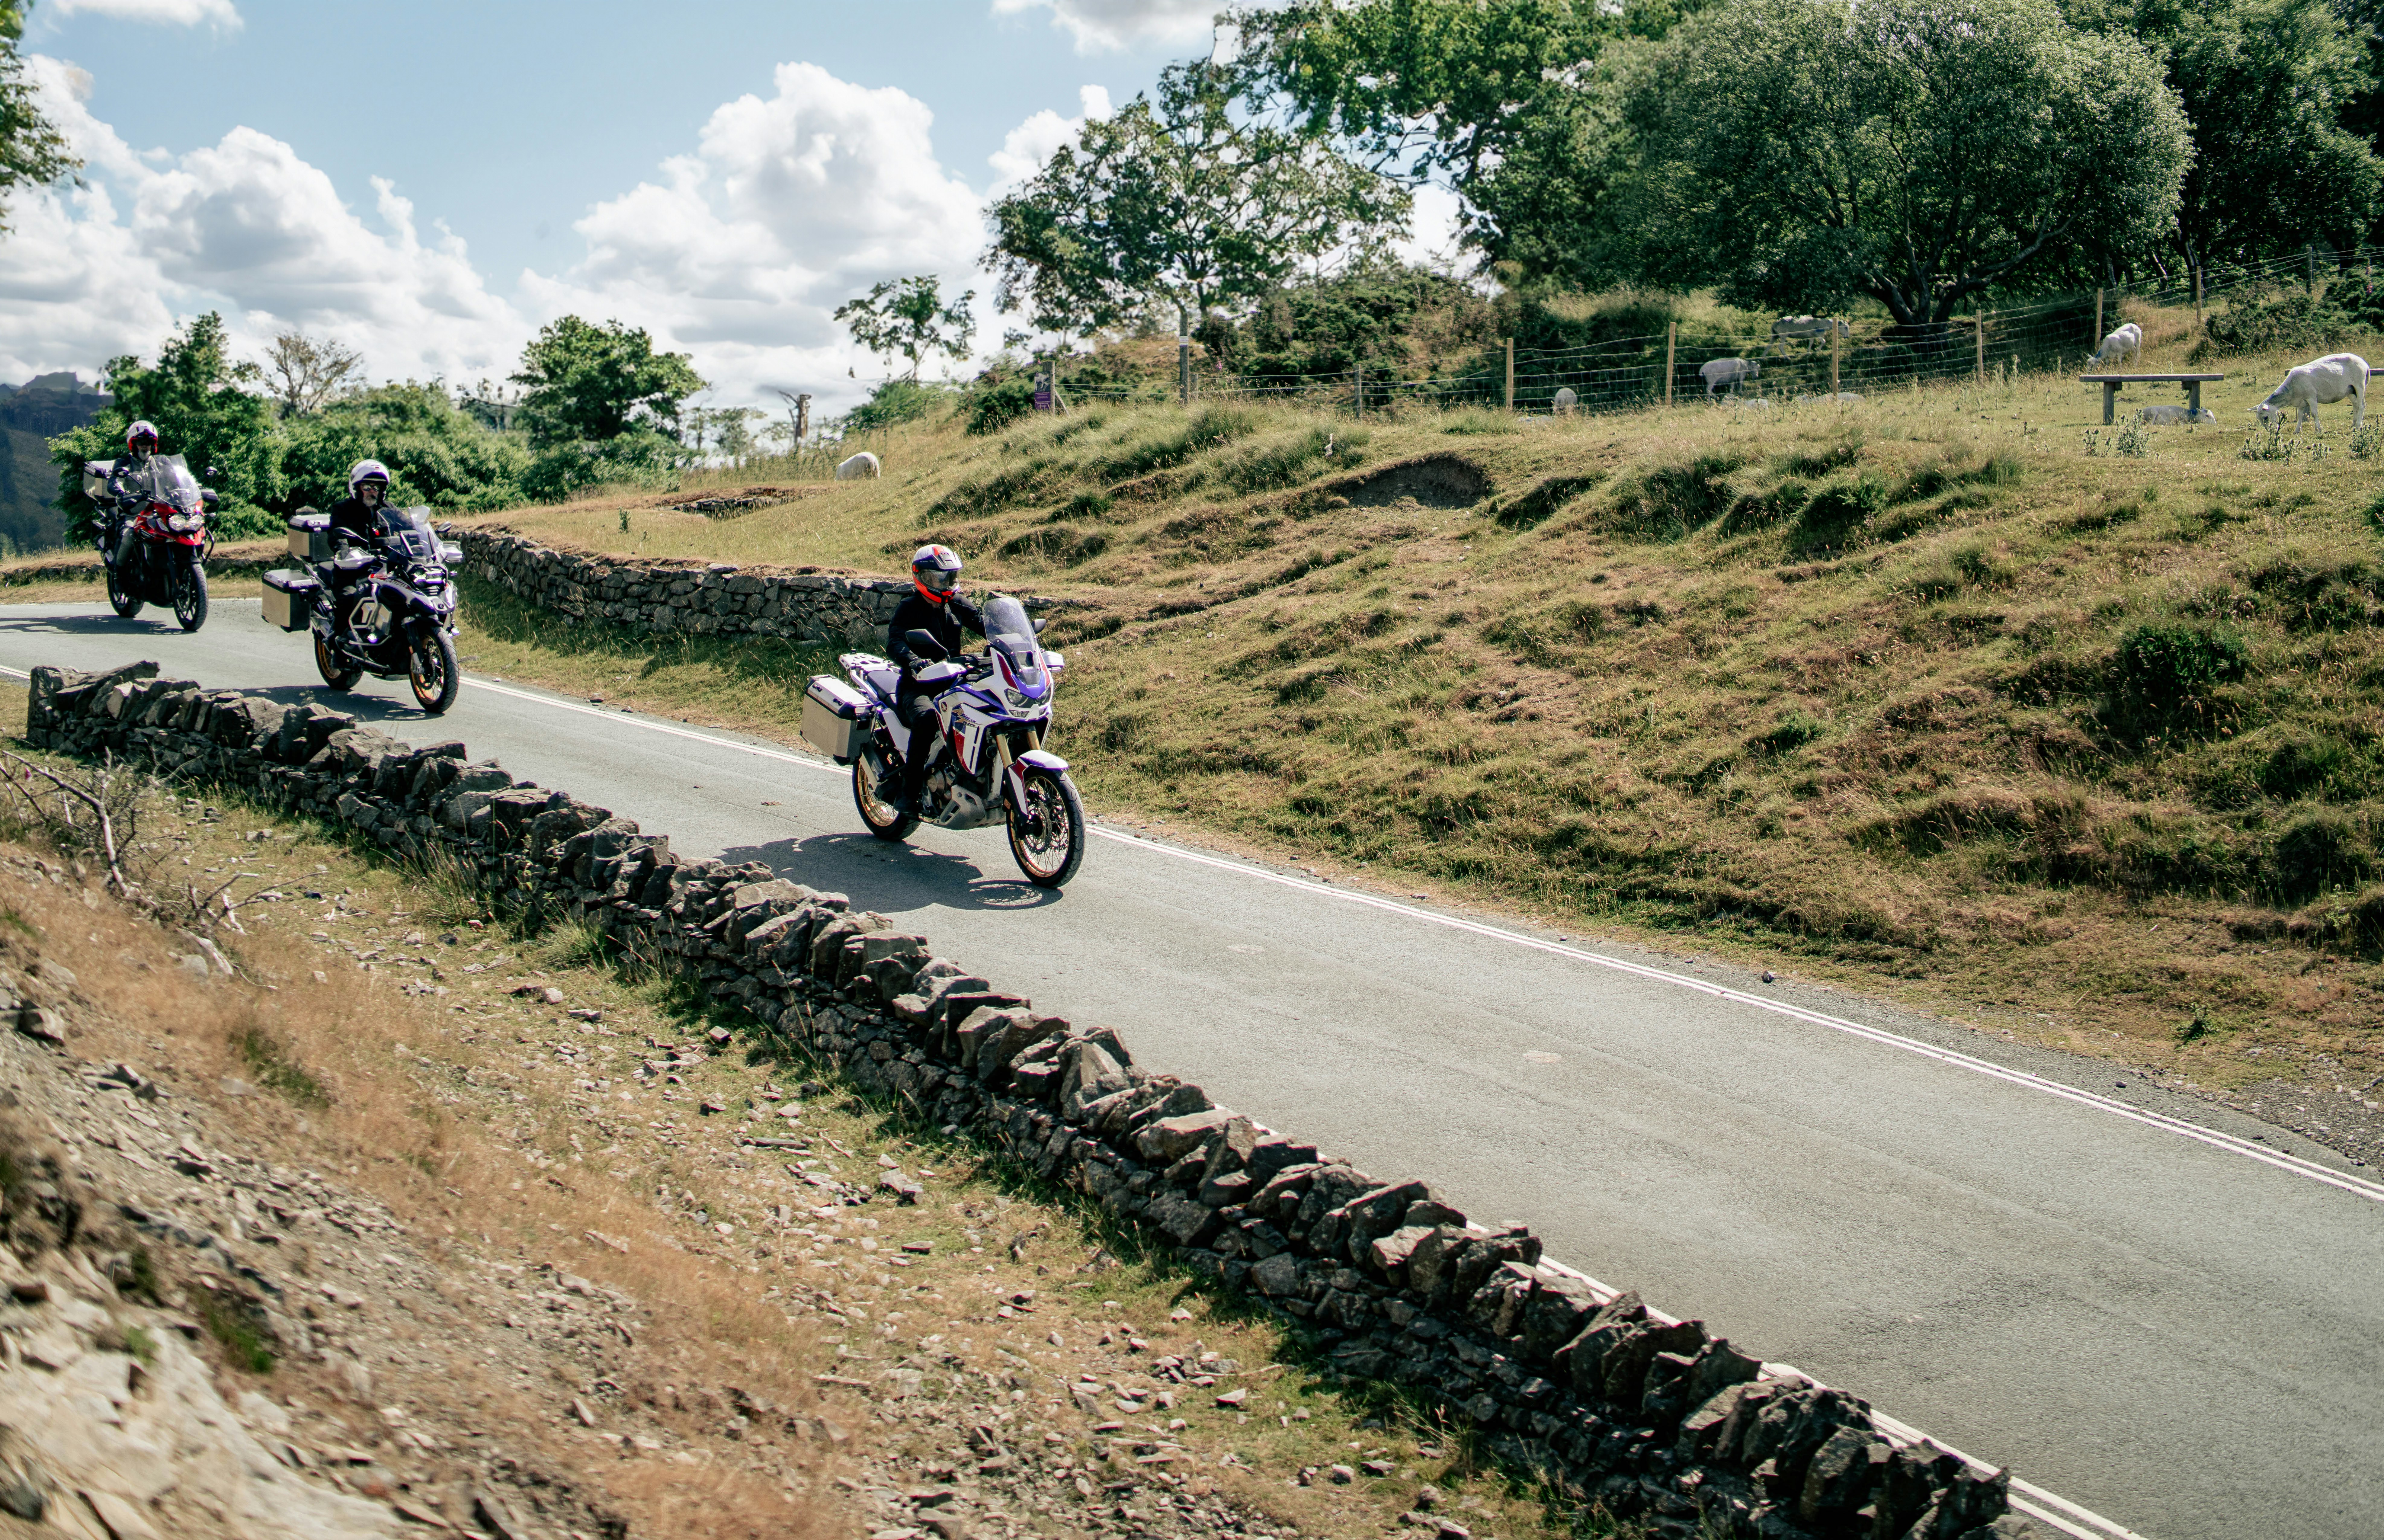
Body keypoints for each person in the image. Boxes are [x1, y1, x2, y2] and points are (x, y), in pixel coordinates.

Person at [884, 543, 983, 814]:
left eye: (949, 576)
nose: (945, 583)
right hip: (918, 687)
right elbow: (895, 642)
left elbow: (985, 622)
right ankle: (909, 792)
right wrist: (913, 660)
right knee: (928, 719)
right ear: (922, 577)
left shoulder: (956, 603)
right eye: (938, 577)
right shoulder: (909, 608)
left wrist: (1015, 640)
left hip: (954, 684)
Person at [320, 460, 395, 624]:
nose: (372, 492)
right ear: (356, 488)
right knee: (350, 599)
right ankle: (340, 642)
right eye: (367, 487)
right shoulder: (343, 509)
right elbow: (338, 535)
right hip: (353, 572)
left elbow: (408, 528)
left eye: (377, 487)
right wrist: (344, 554)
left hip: (385, 571)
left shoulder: (389, 509)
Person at [101, 421, 161, 568]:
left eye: (149, 442)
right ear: (133, 444)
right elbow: (115, 481)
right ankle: (119, 573)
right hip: (132, 515)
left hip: (159, 515)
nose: (145, 445)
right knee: (129, 535)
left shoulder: (161, 463)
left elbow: (175, 480)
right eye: (141, 442)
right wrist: (120, 491)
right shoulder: (124, 463)